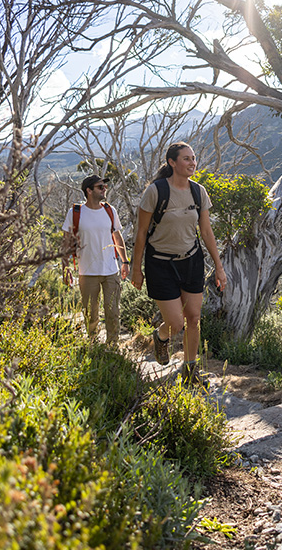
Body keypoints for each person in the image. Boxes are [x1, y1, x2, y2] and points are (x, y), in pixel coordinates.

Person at [130, 142, 226, 383]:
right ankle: (161, 337)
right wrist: (136, 269)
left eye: (193, 158)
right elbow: (141, 232)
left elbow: (206, 231)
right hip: (160, 263)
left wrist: (219, 267)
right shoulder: (156, 191)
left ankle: (190, 371)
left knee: (193, 318)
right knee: (175, 322)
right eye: (186, 158)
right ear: (172, 162)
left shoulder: (198, 191)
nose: (192, 162)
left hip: (191, 260)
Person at [61, 175, 129, 344]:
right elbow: (66, 243)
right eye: (100, 187)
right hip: (87, 271)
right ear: (89, 191)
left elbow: (118, 238)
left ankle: (112, 346)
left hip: (111, 270)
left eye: (104, 186)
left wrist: (125, 262)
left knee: (113, 312)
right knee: (91, 315)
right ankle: (93, 345)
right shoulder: (75, 213)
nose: (104, 189)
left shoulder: (110, 210)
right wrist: (65, 268)